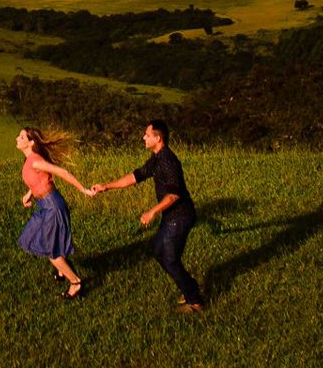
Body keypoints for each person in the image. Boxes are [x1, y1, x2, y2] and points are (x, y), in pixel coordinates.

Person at [91, 119, 204, 311]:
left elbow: (174, 194)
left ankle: (195, 301)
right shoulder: (156, 158)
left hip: (180, 217)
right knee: (159, 252)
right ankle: (190, 288)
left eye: (148, 135)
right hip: (171, 217)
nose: (144, 137)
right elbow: (136, 176)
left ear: (158, 138)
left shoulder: (168, 161)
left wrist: (151, 212)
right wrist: (105, 187)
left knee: (169, 258)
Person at [14, 127, 96, 299]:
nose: (17, 138)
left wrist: (83, 190)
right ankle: (61, 272)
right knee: (31, 235)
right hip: (45, 205)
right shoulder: (30, 160)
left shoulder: (35, 160)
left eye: (21, 137)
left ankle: (76, 283)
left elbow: (62, 172)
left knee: (52, 253)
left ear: (30, 142)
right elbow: (38, 179)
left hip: (52, 206)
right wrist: (28, 194)